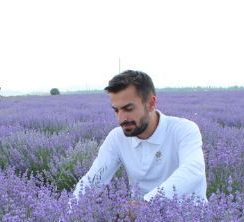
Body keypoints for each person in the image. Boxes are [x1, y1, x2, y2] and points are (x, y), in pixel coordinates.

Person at [72, 70, 207, 203]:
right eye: (116, 110)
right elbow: (93, 181)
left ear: (151, 104)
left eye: (129, 109)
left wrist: (146, 203)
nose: (121, 118)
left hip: (189, 221)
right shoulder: (117, 138)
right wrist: (65, 218)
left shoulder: (183, 130)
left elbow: (193, 171)